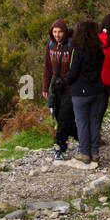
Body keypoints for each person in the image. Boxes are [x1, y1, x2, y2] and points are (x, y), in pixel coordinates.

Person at [65, 20, 106, 166]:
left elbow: (73, 72)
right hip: (97, 90)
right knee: (94, 121)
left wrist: (65, 82)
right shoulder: (99, 49)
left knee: (82, 123)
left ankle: (84, 152)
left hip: (80, 91)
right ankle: (94, 152)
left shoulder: (77, 50)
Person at [42, 19, 77, 160]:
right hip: (56, 87)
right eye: (54, 32)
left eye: (60, 32)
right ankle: (84, 137)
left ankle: (59, 146)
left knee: (64, 117)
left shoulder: (71, 45)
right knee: (59, 116)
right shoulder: (50, 45)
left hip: (70, 87)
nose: (57, 35)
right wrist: (45, 87)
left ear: (65, 32)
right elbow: (47, 68)